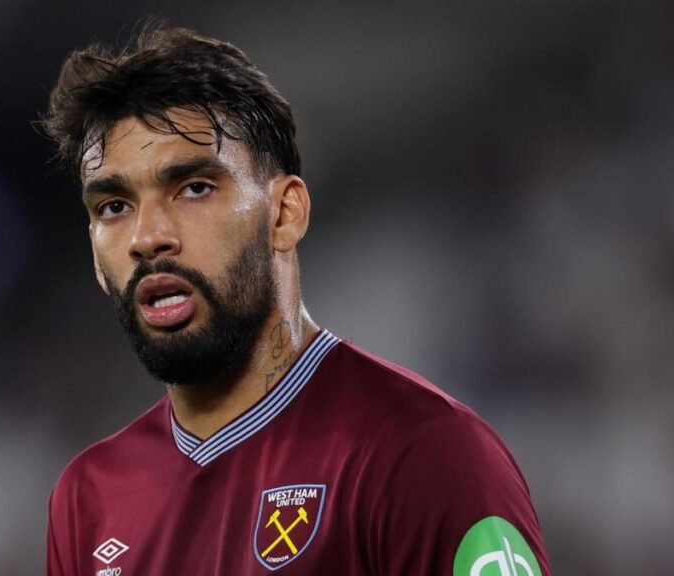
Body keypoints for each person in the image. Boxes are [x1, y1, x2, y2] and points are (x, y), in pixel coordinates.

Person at [39, 22, 551, 576]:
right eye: (113, 206)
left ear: (285, 213)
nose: (146, 237)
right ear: (95, 254)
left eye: (193, 188)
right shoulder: (88, 499)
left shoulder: (423, 452)